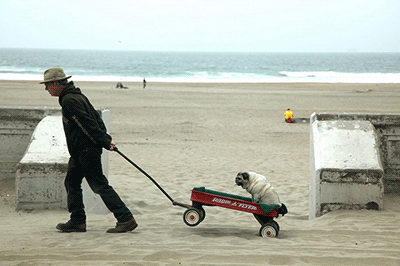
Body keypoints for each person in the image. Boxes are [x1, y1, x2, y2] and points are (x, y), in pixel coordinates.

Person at [40, 68, 137, 233]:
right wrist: (105, 139)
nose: (46, 89)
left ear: (56, 83)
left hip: (85, 151)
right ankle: (77, 221)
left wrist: (105, 141)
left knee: (99, 185)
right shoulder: (77, 96)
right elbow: (97, 120)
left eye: (48, 85)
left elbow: (86, 124)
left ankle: (125, 218)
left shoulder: (70, 100)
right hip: (81, 151)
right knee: (72, 182)